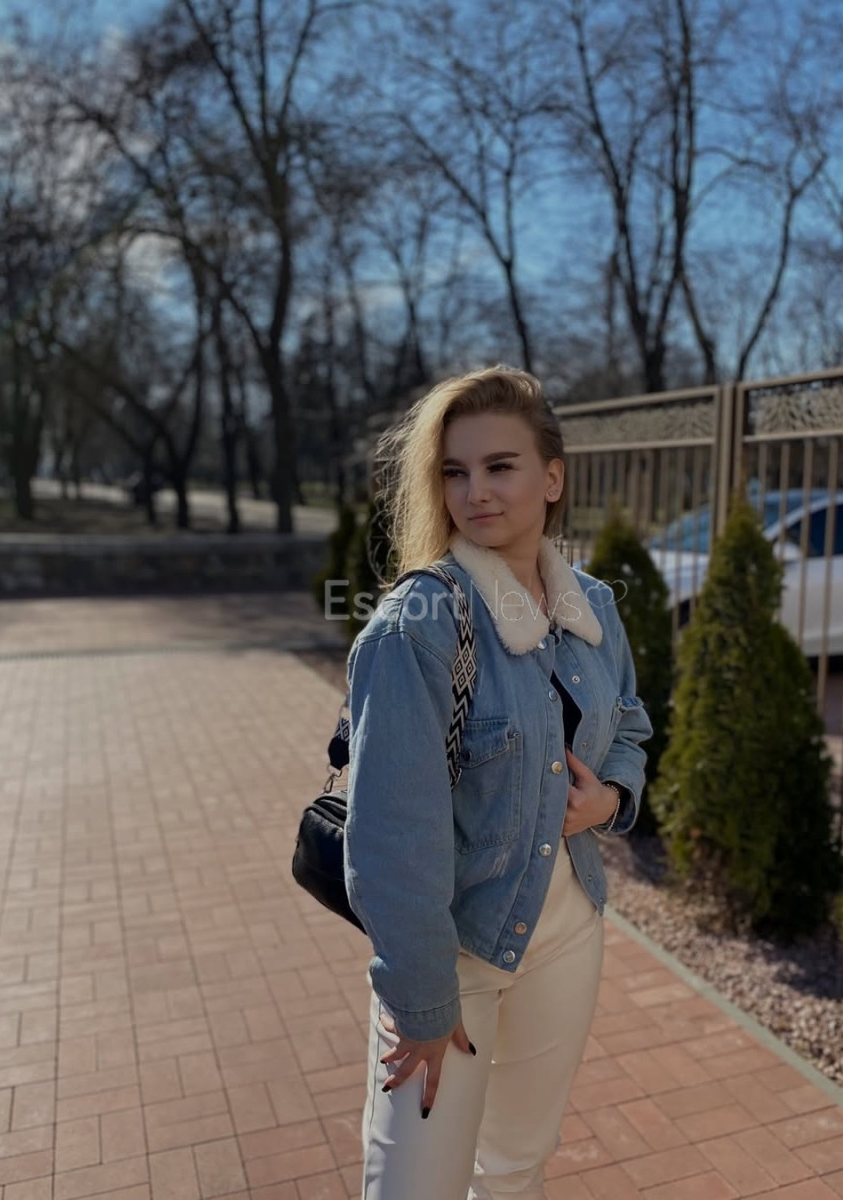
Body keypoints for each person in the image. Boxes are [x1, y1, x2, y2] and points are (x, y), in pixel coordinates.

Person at [343, 366, 653, 1200]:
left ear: (551, 479)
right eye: (455, 470)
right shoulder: (417, 626)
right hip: (454, 952)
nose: (474, 491)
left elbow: (629, 720)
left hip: (569, 929)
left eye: (499, 466)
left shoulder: (592, 605)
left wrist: (611, 798)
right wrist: (421, 1003)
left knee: (516, 1169)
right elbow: (390, 842)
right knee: (415, 1185)